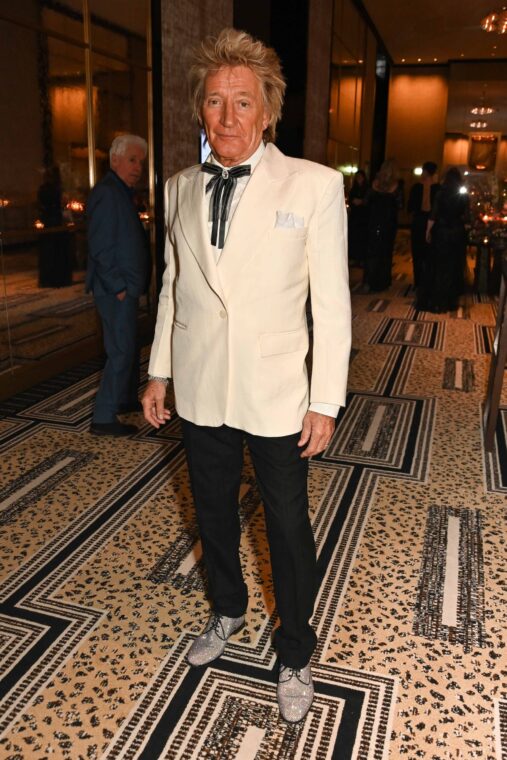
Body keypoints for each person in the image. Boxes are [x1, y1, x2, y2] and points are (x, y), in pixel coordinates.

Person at [141, 28, 351, 723]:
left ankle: (294, 649)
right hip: (201, 386)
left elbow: (331, 303)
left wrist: (324, 400)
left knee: (287, 527)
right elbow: (174, 287)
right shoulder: (176, 190)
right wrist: (158, 373)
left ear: (266, 112)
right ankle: (226, 611)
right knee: (212, 514)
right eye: (213, 102)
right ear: (199, 112)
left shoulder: (314, 185)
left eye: (241, 102)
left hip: (277, 393)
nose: (226, 118)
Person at [86, 134, 150, 436]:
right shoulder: (107, 193)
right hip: (115, 291)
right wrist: (118, 286)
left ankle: (123, 399)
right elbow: (99, 246)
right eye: (132, 160)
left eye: (141, 162)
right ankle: (103, 416)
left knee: (127, 347)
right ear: (114, 160)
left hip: (125, 288)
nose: (138, 167)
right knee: (120, 351)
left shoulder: (120, 191)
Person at [426, 167, 470, 313]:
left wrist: (428, 231)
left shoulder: (440, 193)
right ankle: (451, 301)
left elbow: (433, 215)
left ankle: (438, 300)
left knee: (439, 266)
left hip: (442, 232)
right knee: (453, 267)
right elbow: (467, 218)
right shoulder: (462, 195)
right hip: (456, 233)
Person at [363, 159, 399, 292]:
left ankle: (369, 280)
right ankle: (382, 281)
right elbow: (400, 205)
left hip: (374, 221)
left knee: (372, 251)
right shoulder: (396, 186)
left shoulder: (375, 184)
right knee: (385, 252)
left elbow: (366, 202)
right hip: (388, 223)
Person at [407, 161, 440, 309]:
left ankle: (423, 281)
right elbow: (411, 205)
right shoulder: (418, 187)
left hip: (429, 222)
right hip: (423, 221)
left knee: (425, 253)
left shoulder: (436, 188)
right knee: (420, 251)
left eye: (424, 170)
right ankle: (420, 281)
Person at [37, 165, 73, 288]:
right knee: (56, 251)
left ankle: (48, 279)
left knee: (49, 252)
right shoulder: (56, 189)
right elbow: (61, 204)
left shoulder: (44, 188)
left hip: (48, 221)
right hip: (55, 221)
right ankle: (59, 279)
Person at [347, 169, 369, 264]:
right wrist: (354, 201)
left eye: (360, 177)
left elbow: (369, 201)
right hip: (355, 216)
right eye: (357, 177)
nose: (359, 179)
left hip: (363, 217)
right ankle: (354, 258)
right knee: (354, 237)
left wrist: (362, 202)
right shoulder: (354, 189)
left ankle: (361, 258)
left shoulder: (367, 189)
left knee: (362, 237)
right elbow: (350, 199)